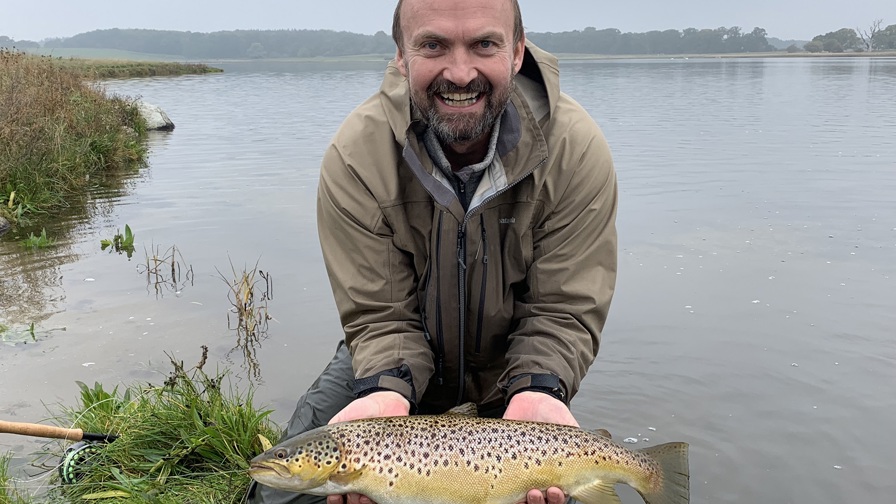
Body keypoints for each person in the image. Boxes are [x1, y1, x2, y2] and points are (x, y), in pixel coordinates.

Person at [247, 0, 617, 503]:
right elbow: (379, 315)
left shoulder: (576, 149)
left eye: (484, 44)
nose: (460, 72)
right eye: (433, 45)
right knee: (281, 495)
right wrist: (384, 387)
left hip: (514, 369)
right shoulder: (356, 155)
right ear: (401, 56)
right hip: (388, 358)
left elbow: (563, 309)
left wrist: (539, 387)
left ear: (517, 52)